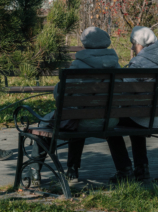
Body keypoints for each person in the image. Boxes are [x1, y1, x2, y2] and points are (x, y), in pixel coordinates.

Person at [27, 27, 121, 186]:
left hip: (82, 121)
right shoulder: (115, 64)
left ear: (84, 43)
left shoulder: (79, 64)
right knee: (78, 117)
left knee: (47, 122)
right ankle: (73, 170)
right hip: (110, 121)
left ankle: (35, 172)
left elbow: (61, 96)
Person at [107, 26, 158, 182]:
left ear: (139, 43)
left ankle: (124, 169)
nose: (132, 48)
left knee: (109, 123)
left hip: (149, 117)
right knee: (137, 118)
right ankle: (141, 170)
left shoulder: (138, 62)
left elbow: (125, 95)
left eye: (133, 43)